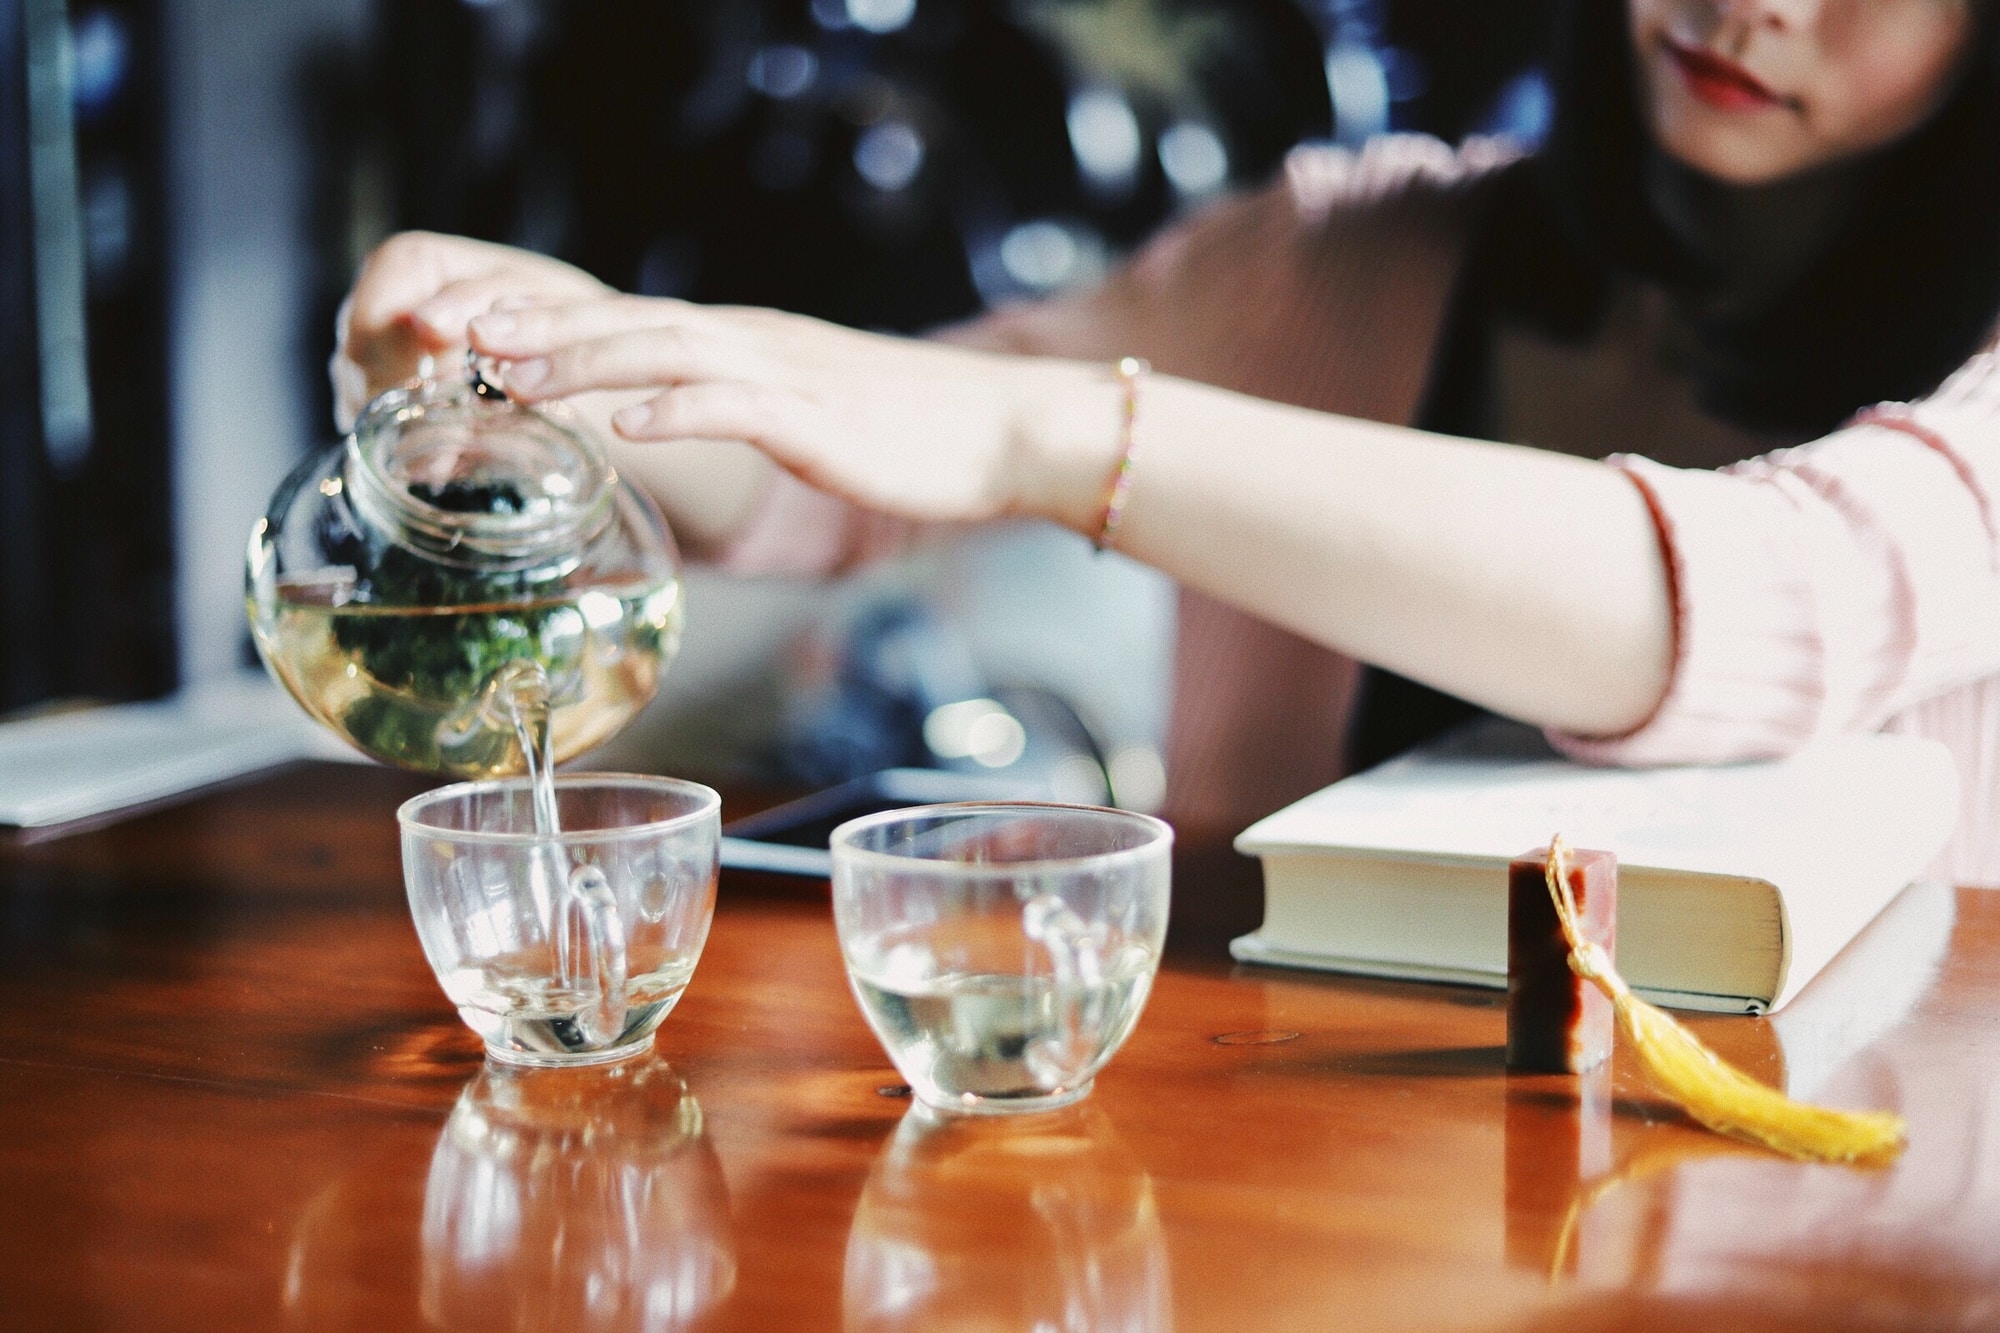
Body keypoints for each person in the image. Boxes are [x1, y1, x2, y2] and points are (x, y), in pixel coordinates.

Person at [334, 0, 2000, 881]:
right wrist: (570, 360)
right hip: (1298, 1181)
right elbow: (842, 473)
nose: (1757, 3)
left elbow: (1757, 596)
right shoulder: (1350, 253)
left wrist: (1048, 436)